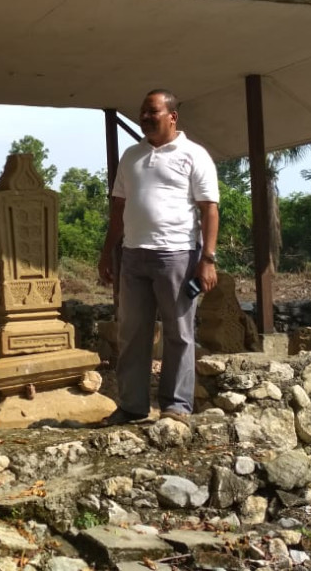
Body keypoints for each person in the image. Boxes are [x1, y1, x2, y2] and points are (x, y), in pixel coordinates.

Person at [97, 89, 220, 425]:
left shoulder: (194, 155)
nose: (146, 118)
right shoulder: (131, 156)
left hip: (177, 254)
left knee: (178, 332)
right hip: (134, 255)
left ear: (172, 116)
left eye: (153, 112)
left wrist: (207, 259)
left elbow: (209, 208)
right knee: (132, 332)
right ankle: (132, 406)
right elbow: (119, 207)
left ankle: (176, 406)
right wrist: (108, 251)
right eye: (143, 113)